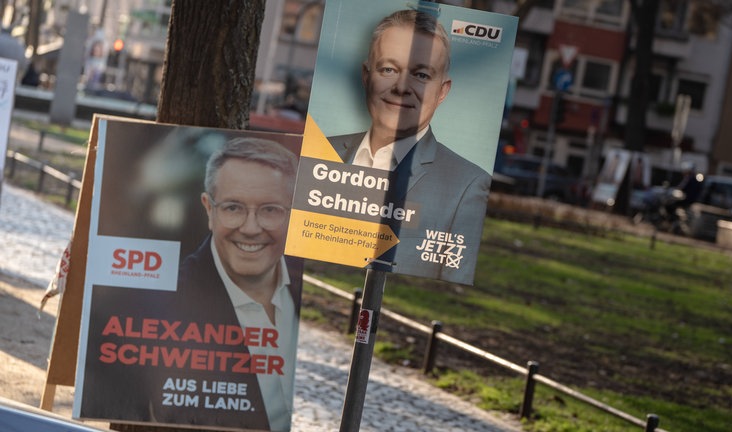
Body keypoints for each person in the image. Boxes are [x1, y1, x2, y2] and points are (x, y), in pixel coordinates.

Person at [84, 137, 302, 432]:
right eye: (233, 207)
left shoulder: (298, 290)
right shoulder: (155, 307)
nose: (251, 228)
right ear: (209, 209)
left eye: (271, 210)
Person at [328, 9, 491, 284]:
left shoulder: (467, 185)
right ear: (367, 77)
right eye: (388, 69)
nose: (402, 86)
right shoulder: (322, 152)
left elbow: (448, 289)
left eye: (422, 75)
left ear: (442, 91)